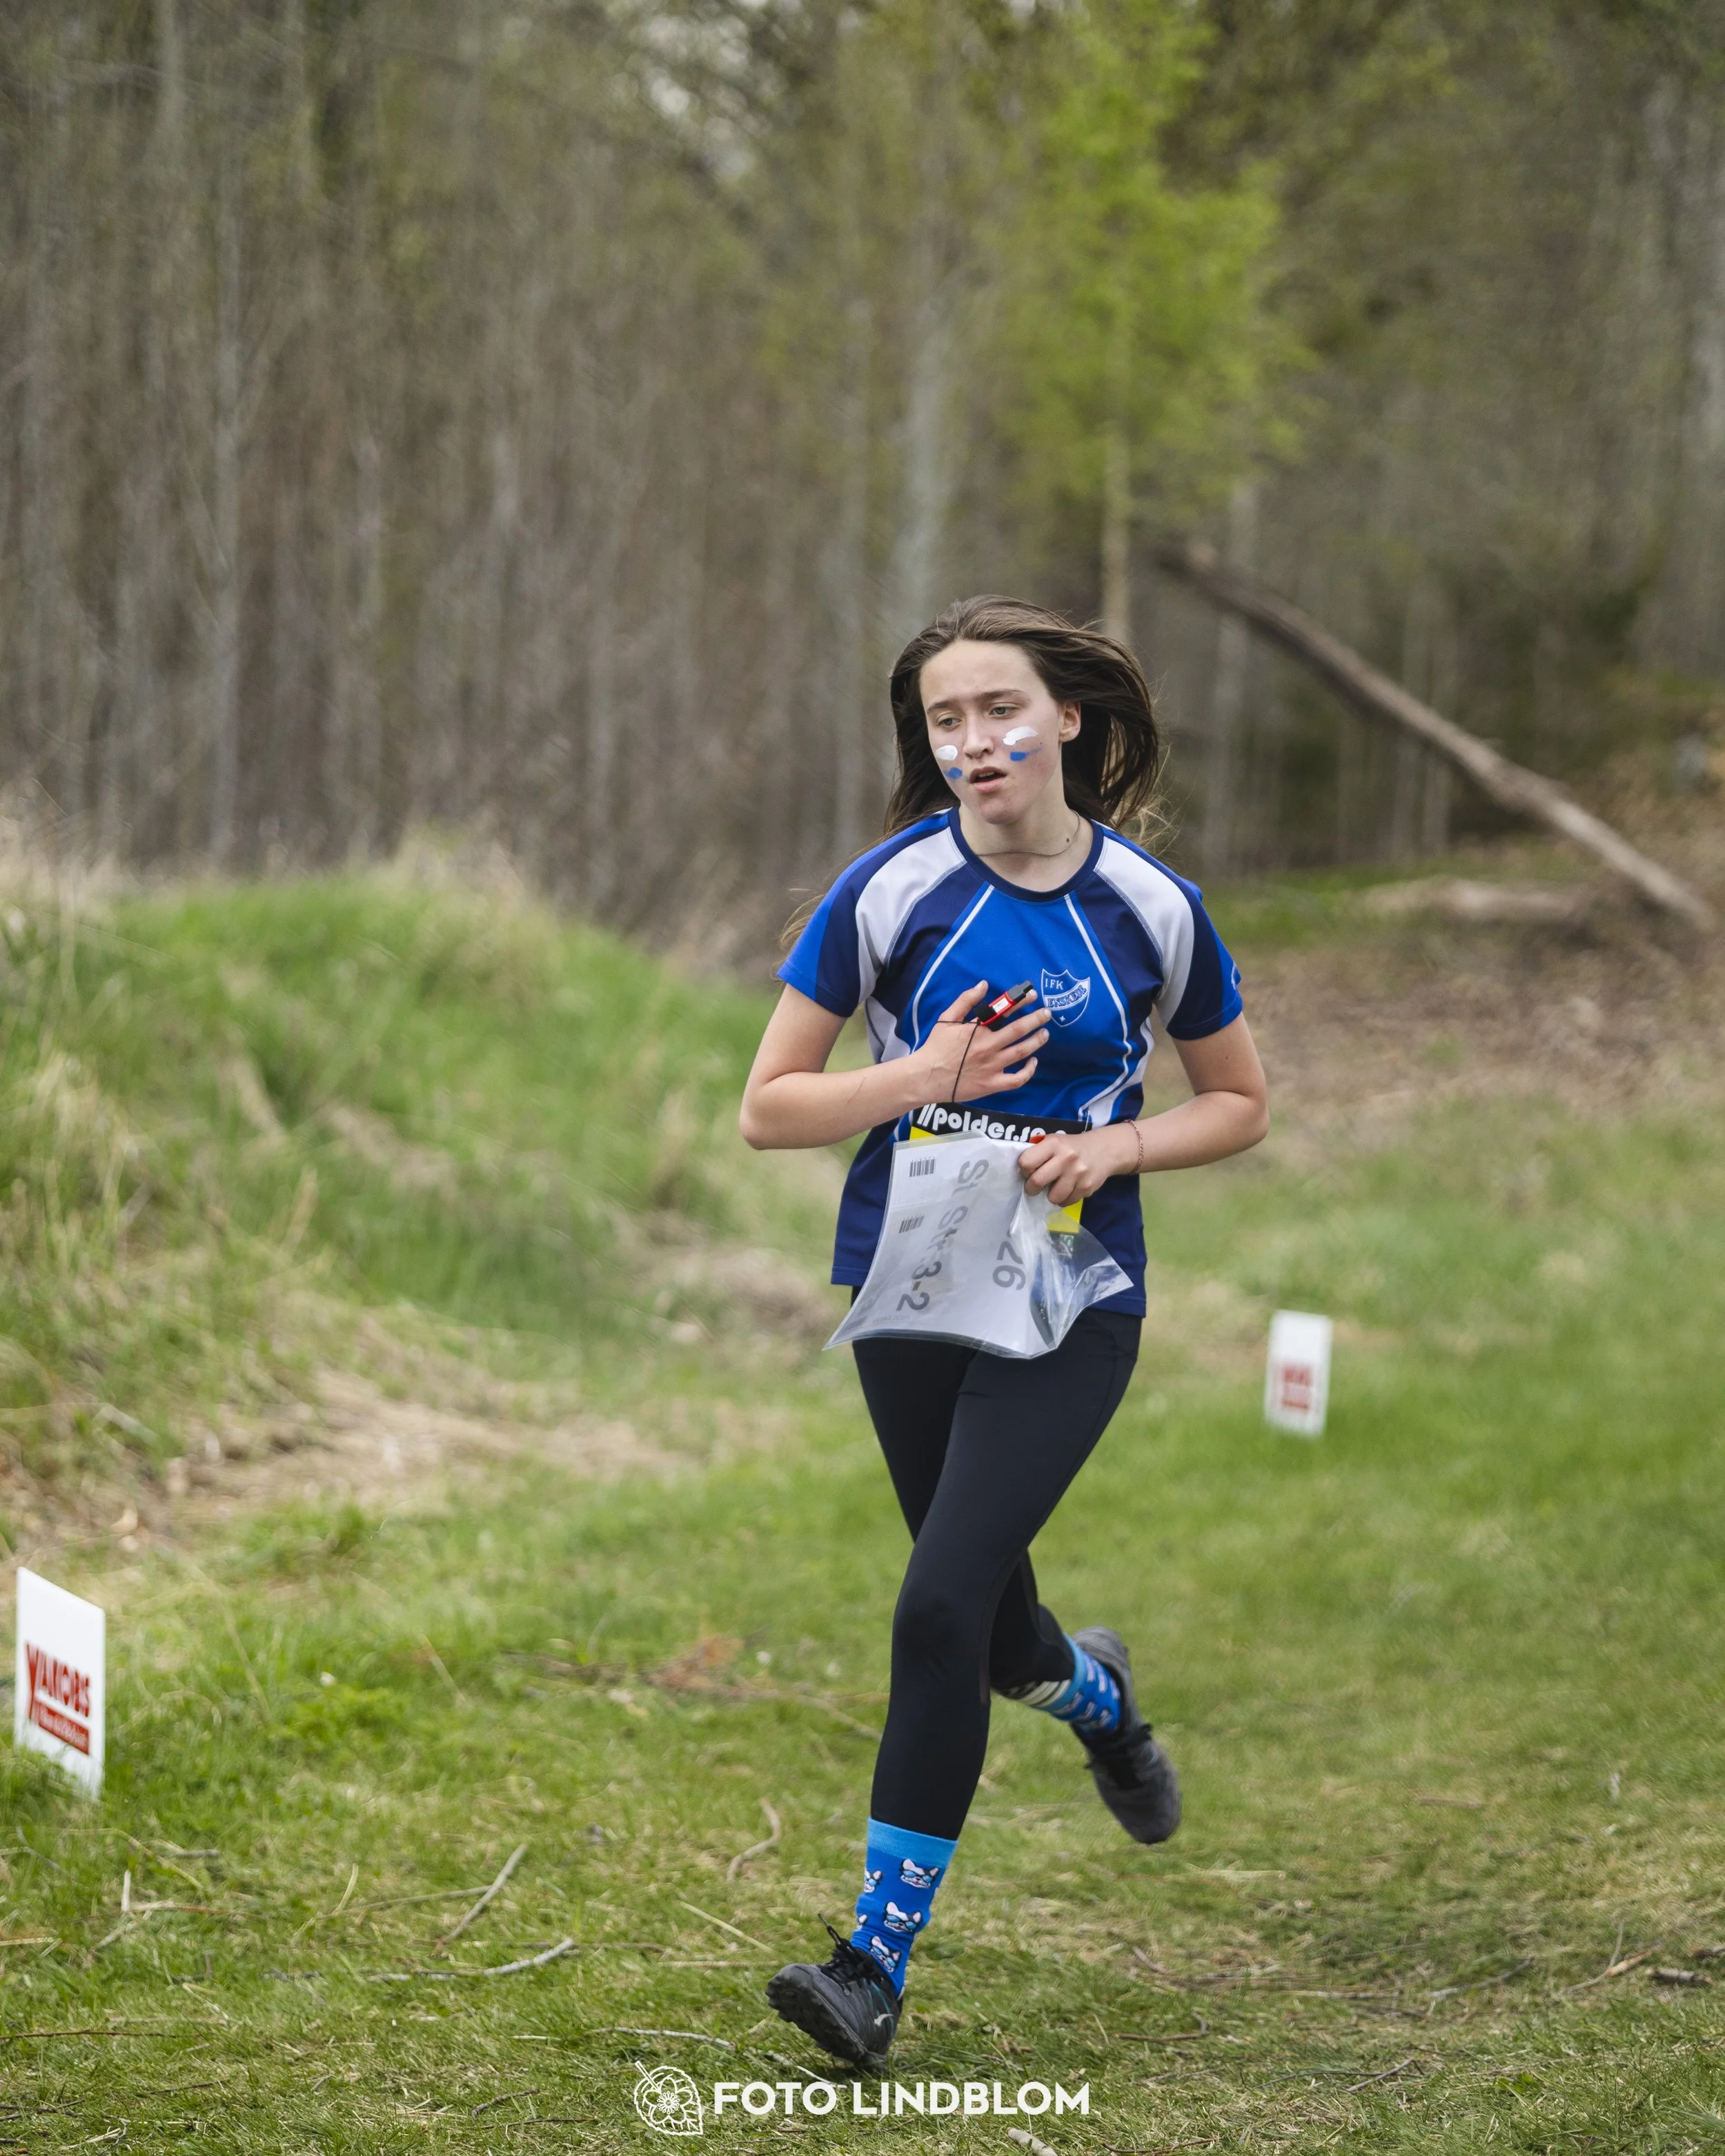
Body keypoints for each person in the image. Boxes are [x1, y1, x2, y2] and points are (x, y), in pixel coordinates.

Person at [738, 595, 1269, 2069]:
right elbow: (767, 1102)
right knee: (991, 1632)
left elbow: (1237, 1100)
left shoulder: (1151, 908)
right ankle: (1093, 1696)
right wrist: (919, 1073)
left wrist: (1114, 1152)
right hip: (908, 1287)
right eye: (942, 721)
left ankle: (869, 1964)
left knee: (931, 1607)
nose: (971, 741)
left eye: (996, 710)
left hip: (1068, 1299)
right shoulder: (888, 889)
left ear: (1069, 720)